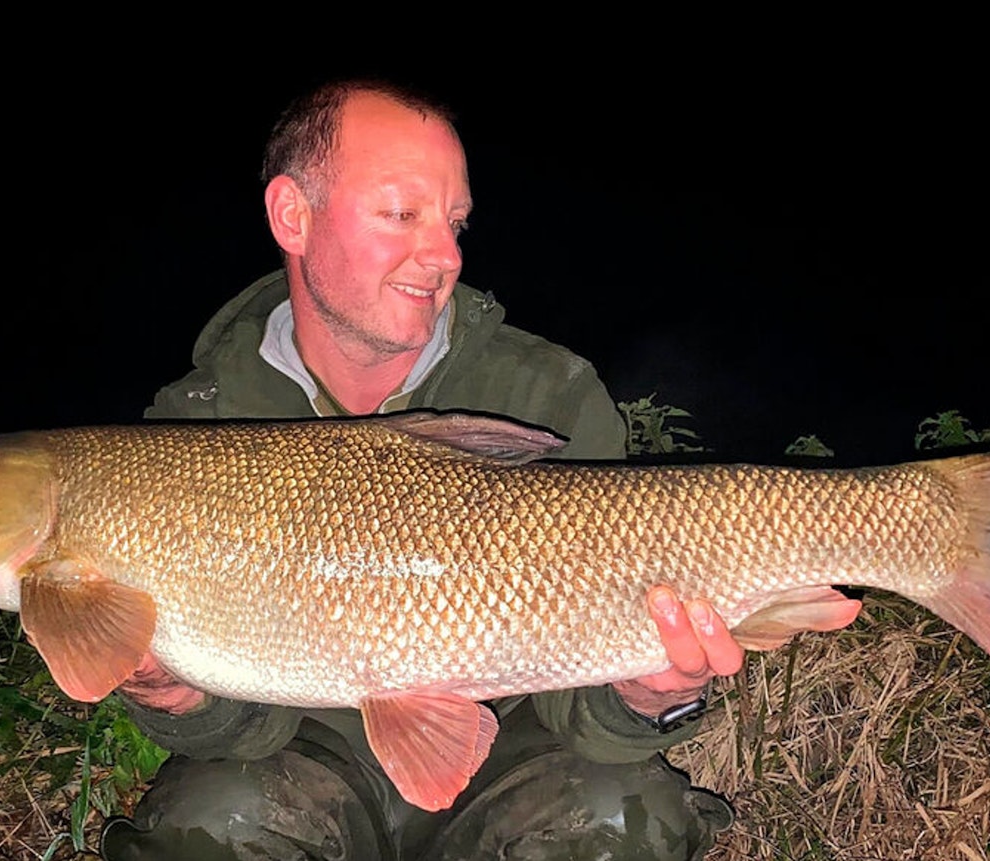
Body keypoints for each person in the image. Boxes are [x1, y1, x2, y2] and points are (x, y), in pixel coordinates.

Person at [100, 79, 750, 861]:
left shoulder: (545, 391)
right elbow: (233, 731)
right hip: (306, 757)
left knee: (624, 812)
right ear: (292, 216)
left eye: (453, 223)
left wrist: (647, 698)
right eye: (402, 214)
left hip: (515, 753)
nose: (445, 255)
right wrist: (173, 694)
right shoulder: (194, 426)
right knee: (206, 823)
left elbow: (591, 724)